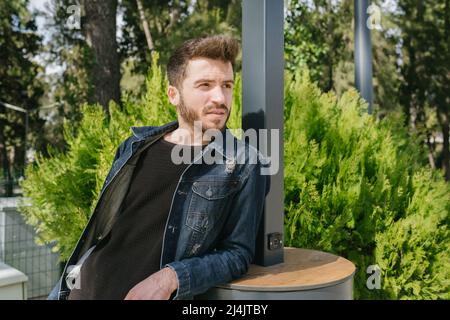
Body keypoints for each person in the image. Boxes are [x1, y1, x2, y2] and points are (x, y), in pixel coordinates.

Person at [48, 35, 270, 300]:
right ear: (173, 94)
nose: (220, 98)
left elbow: (237, 254)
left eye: (227, 85)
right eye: (205, 85)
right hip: (80, 291)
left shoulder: (243, 162)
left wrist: (172, 277)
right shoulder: (135, 145)